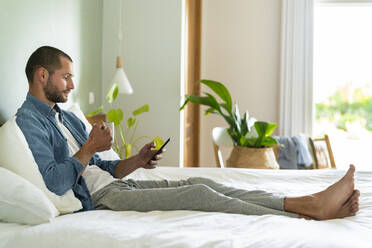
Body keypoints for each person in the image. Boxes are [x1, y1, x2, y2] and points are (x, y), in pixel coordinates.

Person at [16, 46, 360, 220]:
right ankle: (309, 210)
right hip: (102, 199)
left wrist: (137, 159)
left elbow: (104, 169)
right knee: (200, 195)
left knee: (210, 184)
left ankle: (307, 203)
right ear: (42, 76)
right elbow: (55, 182)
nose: (72, 85)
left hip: (116, 184)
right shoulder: (28, 120)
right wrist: (89, 148)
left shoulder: (65, 116)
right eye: (66, 78)